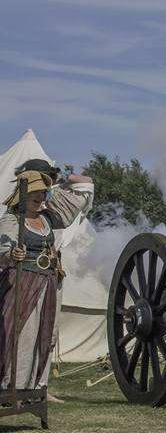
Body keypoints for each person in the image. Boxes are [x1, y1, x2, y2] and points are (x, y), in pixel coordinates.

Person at [0, 165, 92, 392]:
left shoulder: (48, 218)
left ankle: (31, 386)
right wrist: (12, 253)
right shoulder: (12, 220)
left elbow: (83, 189)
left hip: (47, 282)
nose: (41, 198)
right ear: (23, 195)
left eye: (43, 193)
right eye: (36, 194)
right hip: (22, 282)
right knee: (21, 333)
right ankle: (12, 386)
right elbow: (3, 247)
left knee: (44, 333)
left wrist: (65, 180)